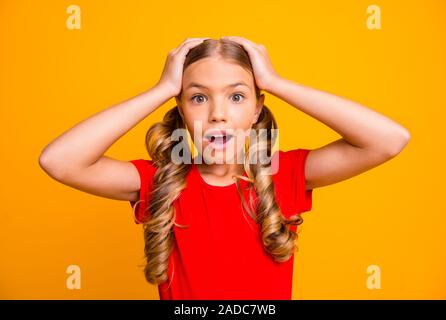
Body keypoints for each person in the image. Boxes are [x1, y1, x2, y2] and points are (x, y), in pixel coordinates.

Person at [39, 36, 410, 300]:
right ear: (182, 108)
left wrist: (276, 83)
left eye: (236, 96)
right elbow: (59, 161)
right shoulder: (157, 182)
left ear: (256, 109)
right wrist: (160, 89)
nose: (218, 113)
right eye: (198, 97)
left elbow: (388, 139)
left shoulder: (283, 174)